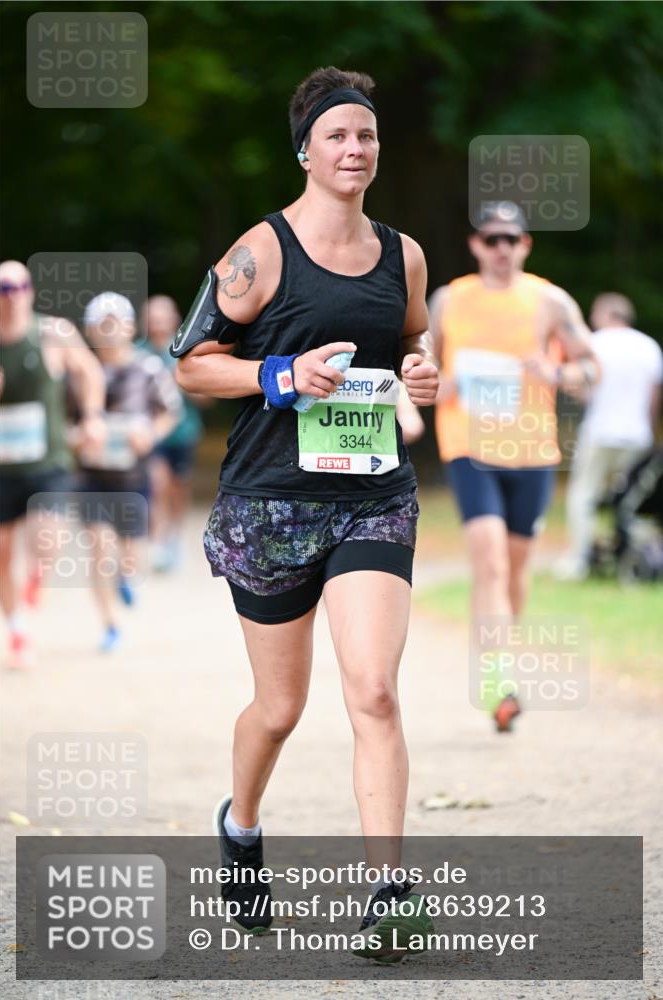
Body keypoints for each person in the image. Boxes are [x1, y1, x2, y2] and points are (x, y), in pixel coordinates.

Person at [173, 67, 439, 961]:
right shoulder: (263, 250)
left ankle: (389, 894)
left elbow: (408, 337)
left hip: (371, 496)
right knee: (280, 709)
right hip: (271, 502)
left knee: (371, 688)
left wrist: (420, 371)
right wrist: (278, 375)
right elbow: (191, 363)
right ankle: (241, 822)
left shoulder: (402, 253)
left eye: (365, 135)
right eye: (337, 135)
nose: (354, 148)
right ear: (306, 149)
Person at [429, 202, 599, 732]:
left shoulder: (549, 300)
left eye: (511, 239)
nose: (501, 249)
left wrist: (554, 371)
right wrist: (437, 383)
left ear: (525, 244)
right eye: (491, 239)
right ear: (475, 245)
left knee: (517, 571)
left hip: (532, 450)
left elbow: (592, 368)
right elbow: (418, 365)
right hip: (468, 445)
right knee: (491, 564)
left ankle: (501, 661)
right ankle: (499, 682)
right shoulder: (449, 300)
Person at [0, 259, 105, 668]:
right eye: (3, 289)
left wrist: (92, 417)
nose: (12, 297)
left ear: (30, 291)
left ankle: (35, 581)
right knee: (1, 554)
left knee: (47, 542)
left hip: (49, 460)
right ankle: (18, 630)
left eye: (19, 287)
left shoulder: (52, 332)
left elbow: (89, 372)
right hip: (1, 467)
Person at [77, 292, 181, 652]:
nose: (108, 331)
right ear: (90, 330)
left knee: (132, 551)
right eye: (100, 325)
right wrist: (79, 437)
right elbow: (62, 424)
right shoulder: (79, 373)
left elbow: (171, 411)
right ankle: (110, 625)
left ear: (129, 326)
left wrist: (150, 434)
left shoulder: (148, 368)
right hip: (91, 477)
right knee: (99, 549)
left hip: (133, 477)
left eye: (114, 322)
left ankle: (127, 575)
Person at [555, 293, 662, 580]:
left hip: (601, 432)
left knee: (583, 496)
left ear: (605, 315)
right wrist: (650, 432)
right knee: (627, 498)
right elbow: (654, 398)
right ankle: (628, 554)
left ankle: (580, 559)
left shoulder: (595, 343)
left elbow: (582, 389)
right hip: (637, 435)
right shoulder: (649, 346)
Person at [140, 295, 209, 572]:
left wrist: (180, 385)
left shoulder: (186, 351)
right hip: (150, 434)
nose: (157, 322)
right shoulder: (138, 353)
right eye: (152, 317)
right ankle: (157, 542)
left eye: (162, 316)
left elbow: (208, 397)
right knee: (157, 484)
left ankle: (173, 536)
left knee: (178, 489)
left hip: (183, 433)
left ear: (175, 319)